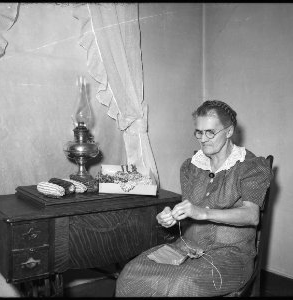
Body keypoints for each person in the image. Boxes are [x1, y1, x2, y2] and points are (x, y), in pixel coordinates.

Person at [115, 100, 273, 297]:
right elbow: (188, 211)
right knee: (130, 274)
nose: (203, 139)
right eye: (199, 132)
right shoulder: (191, 167)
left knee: (182, 285)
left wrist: (202, 213)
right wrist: (172, 216)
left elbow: (251, 216)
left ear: (229, 131)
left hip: (232, 257)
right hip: (187, 247)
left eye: (210, 132)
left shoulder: (250, 166)